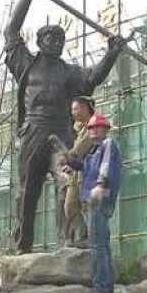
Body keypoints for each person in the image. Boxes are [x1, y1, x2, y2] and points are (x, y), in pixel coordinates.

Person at [4, 0, 128, 254]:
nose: (57, 41)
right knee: (27, 192)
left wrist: (112, 54)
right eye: (51, 37)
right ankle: (23, 246)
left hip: (61, 134)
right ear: (39, 41)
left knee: (68, 182)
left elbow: (93, 77)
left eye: (61, 38)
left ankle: (69, 239)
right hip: (32, 132)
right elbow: (11, 32)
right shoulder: (26, 64)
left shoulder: (69, 72)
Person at [64, 113, 121, 293]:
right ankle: (104, 286)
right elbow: (87, 168)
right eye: (90, 128)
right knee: (100, 244)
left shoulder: (108, 145)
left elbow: (105, 168)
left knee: (98, 246)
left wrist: (101, 184)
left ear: (106, 129)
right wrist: (72, 164)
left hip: (100, 199)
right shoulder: (94, 152)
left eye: (97, 127)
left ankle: (101, 289)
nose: (93, 130)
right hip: (92, 200)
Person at [56, 96, 97, 246]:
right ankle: (82, 236)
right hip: (77, 174)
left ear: (85, 108)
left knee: (87, 207)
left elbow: (80, 149)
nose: (73, 112)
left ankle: (90, 238)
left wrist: (68, 157)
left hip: (89, 174)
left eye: (75, 108)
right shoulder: (80, 130)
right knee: (70, 207)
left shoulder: (92, 128)